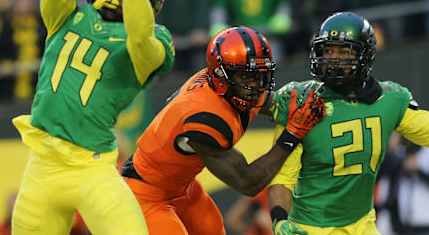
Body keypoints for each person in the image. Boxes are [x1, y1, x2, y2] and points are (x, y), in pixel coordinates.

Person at [265, 11, 429, 235]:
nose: (332, 59)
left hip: (360, 226)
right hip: (309, 228)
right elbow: (283, 177)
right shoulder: (302, 101)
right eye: (328, 51)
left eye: (342, 52)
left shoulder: (389, 99)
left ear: (364, 55)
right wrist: (280, 220)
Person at [11, 0, 175, 235]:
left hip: (92, 167)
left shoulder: (156, 39)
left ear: (147, 1)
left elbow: (141, 38)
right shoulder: (74, 9)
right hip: (42, 164)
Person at [121, 25, 326, 235]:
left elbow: (272, 102)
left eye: (259, 75)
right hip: (146, 193)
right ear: (221, 76)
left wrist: (301, 98)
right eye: (246, 77)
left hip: (183, 187)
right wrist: (292, 134)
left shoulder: (230, 87)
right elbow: (248, 182)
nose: (255, 86)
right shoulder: (204, 116)